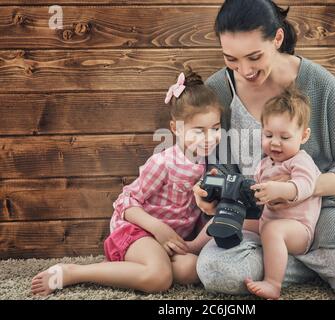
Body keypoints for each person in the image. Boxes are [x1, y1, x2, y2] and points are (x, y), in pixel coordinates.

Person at [194, 0, 335, 299]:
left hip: (317, 215)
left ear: (278, 39)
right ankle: (311, 261)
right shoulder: (219, 89)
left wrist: (296, 190)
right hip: (258, 222)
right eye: (231, 59)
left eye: (254, 56)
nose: (244, 70)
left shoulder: (318, 83)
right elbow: (216, 164)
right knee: (216, 271)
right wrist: (212, 198)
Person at [31, 68, 223, 296]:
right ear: (175, 128)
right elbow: (126, 202)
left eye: (216, 128)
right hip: (138, 231)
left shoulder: (208, 164)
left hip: (167, 240)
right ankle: (76, 272)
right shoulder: (163, 162)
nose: (210, 138)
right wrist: (158, 229)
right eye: (199, 131)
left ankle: (142, 267)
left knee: (192, 269)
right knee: (159, 278)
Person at [245, 86, 322, 299]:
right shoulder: (263, 164)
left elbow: (306, 185)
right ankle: (193, 245)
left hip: (298, 231)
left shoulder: (300, 161)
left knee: (272, 230)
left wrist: (280, 189)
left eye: (285, 137)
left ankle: (273, 283)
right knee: (235, 218)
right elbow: (255, 195)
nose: (275, 142)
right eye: (268, 134)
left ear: (303, 135)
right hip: (268, 220)